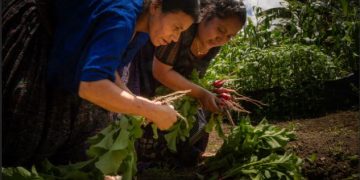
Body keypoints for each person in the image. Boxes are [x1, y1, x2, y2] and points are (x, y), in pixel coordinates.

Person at [2, 0, 200, 166]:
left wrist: (134, 100)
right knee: (25, 137)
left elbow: (106, 68)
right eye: (176, 27)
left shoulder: (143, 30)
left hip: (71, 54)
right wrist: (149, 110)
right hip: (40, 39)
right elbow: (91, 85)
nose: (176, 38)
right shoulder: (122, 18)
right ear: (156, 6)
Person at [123, 0, 247, 167]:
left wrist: (209, 92)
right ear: (205, 16)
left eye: (229, 36)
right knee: (141, 129)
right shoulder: (182, 29)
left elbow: (190, 76)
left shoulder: (213, 45)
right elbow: (161, 71)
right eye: (220, 30)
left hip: (172, 89)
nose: (222, 39)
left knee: (195, 119)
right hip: (147, 78)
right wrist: (202, 93)